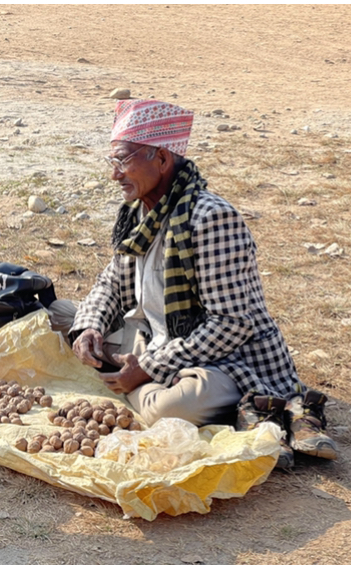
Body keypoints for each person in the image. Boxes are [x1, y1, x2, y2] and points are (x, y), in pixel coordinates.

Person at [69, 99, 337, 469]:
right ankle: (128, 379)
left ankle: (140, 386)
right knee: (63, 318)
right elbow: (111, 284)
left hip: (224, 358)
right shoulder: (138, 212)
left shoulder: (210, 218)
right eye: (112, 161)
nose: (115, 175)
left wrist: (146, 369)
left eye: (123, 160)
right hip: (157, 337)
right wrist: (90, 328)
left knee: (170, 408)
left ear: (162, 159)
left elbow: (231, 325)